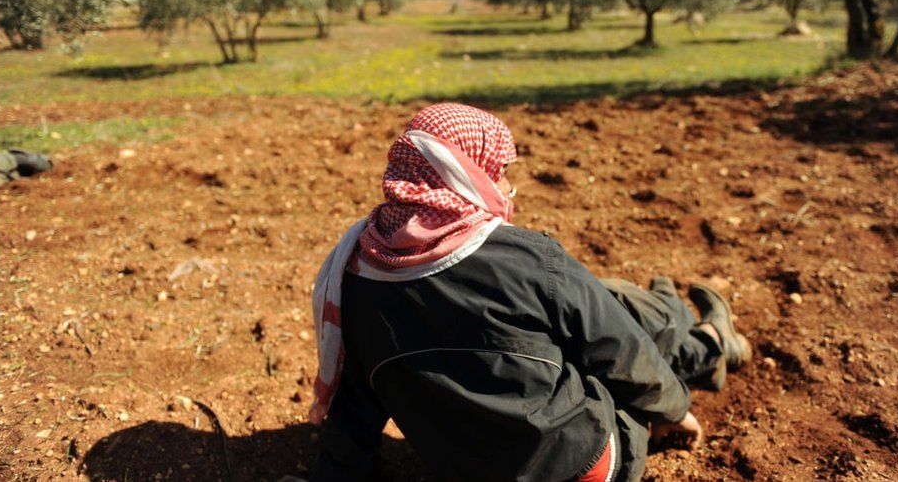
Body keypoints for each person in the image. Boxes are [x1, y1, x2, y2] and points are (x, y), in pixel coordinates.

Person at [309, 103, 751, 481]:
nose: (501, 186)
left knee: (590, 313)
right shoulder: (527, 259)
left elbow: (356, 403)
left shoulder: (358, 273)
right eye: (496, 171)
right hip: (586, 467)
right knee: (619, 312)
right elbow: (622, 353)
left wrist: (334, 473)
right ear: (466, 174)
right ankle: (706, 341)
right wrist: (675, 411)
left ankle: (697, 335)